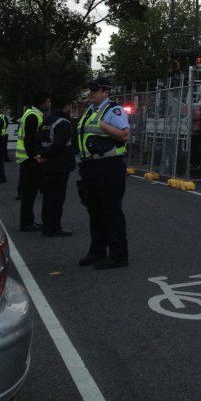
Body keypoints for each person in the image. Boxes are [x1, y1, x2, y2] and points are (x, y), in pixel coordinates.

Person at [77, 77, 130, 269]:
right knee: (95, 211)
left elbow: (125, 135)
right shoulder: (91, 110)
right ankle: (97, 252)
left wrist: (104, 126)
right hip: (91, 167)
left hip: (109, 166)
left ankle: (118, 255)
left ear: (106, 92)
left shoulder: (113, 110)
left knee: (111, 211)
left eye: (95, 89)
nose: (91, 92)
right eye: (90, 89)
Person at [37, 99, 76, 237]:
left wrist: (42, 155)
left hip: (46, 164)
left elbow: (38, 140)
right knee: (57, 197)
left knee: (47, 196)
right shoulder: (64, 123)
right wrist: (46, 155)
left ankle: (46, 225)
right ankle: (54, 227)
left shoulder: (46, 121)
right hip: (59, 164)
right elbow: (59, 144)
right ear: (66, 106)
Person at [16, 92, 51, 232]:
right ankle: (26, 223)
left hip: (26, 159)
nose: (49, 104)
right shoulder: (33, 115)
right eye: (47, 101)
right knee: (29, 193)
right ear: (41, 103)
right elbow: (29, 140)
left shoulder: (30, 113)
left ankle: (27, 221)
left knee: (29, 192)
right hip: (29, 160)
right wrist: (35, 157)